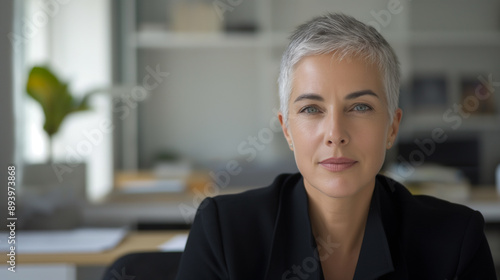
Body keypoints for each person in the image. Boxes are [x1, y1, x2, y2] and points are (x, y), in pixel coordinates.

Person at [175, 13, 497, 280]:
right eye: (311, 109)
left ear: (392, 128)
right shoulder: (223, 233)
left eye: (359, 107)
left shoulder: (457, 242)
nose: (335, 134)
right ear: (287, 129)